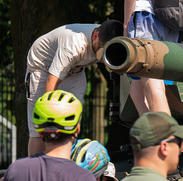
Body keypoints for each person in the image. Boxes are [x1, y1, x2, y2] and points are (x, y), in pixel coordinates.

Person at [25, 20, 123, 155]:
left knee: (72, 122)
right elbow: (51, 82)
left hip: (75, 69)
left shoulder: (110, 39)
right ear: (95, 37)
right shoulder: (74, 45)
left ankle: (64, 163)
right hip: (43, 67)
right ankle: (34, 168)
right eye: (103, 50)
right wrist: (48, 117)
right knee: (39, 128)